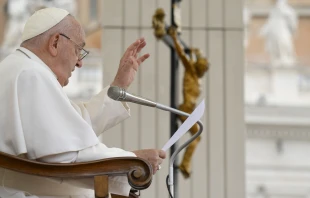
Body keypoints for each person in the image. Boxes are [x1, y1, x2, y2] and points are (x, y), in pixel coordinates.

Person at [0, 7, 166, 198]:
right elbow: (65, 157)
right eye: (78, 49)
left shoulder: (20, 69)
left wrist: (119, 85)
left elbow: (73, 130)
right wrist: (133, 161)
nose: (80, 62)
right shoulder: (31, 75)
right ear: (55, 42)